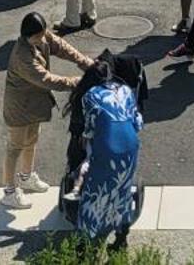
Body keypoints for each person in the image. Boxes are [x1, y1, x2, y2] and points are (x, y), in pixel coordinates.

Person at [2, 12, 87, 207]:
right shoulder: (22, 56)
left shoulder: (40, 36)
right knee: (15, 147)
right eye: (39, 37)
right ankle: (9, 191)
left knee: (32, 140)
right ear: (27, 35)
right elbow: (48, 80)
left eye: (44, 34)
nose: (43, 39)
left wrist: (84, 62)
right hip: (19, 107)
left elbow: (62, 47)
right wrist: (78, 81)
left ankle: (26, 177)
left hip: (34, 103)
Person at [77, 53, 146, 250]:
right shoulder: (125, 90)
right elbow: (137, 120)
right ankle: (121, 238)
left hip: (108, 147)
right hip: (130, 146)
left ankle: (85, 244)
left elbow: (89, 130)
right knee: (122, 191)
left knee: (94, 193)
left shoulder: (89, 96)